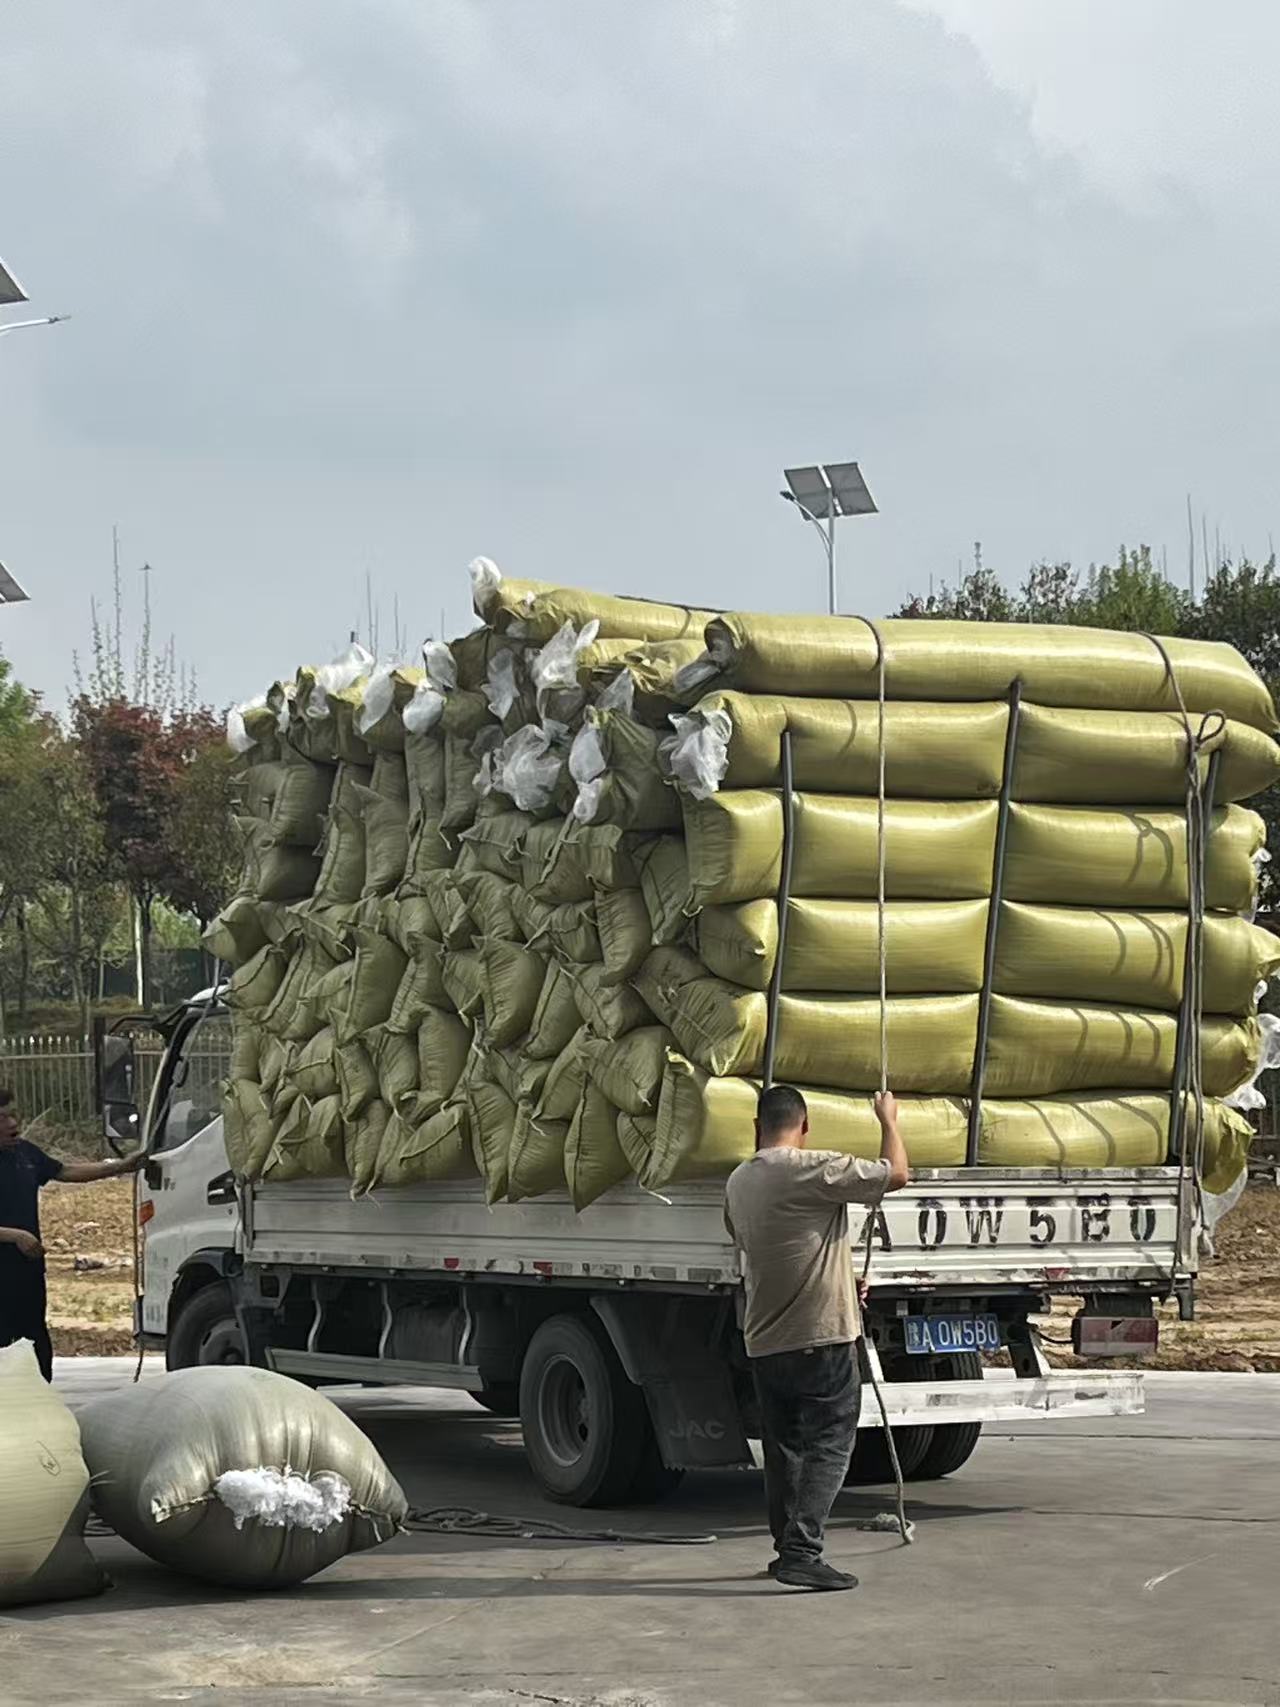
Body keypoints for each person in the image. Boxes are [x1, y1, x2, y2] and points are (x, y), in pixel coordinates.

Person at [724, 1084, 909, 1592]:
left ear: (755, 1127)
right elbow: (896, 1174)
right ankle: (803, 1552)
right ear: (804, 1127)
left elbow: (771, 1248)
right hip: (819, 1337)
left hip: (765, 1338)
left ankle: (787, 1548)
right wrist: (888, 1120)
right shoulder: (811, 1168)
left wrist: (842, 1280)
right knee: (830, 1441)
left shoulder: (739, 1181)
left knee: (785, 1450)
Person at [0, 1087, 143, 1381]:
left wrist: (121, 1166)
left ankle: (41, 1402)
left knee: (33, 1341)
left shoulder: (25, 1153)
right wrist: (14, 1235)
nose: (13, 1124)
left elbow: (65, 1171)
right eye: (2, 1118)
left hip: (26, 1272)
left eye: (13, 1115)